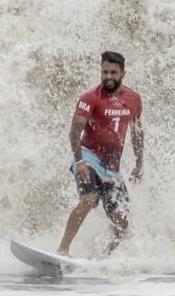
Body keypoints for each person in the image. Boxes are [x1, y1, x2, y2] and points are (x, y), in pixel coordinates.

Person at [57, 51, 144, 256]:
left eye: (113, 72)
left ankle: (105, 258)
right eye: (105, 72)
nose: (108, 77)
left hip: (111, 166)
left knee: (122, 221)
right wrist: (79, 162)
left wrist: (139, 164)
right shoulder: (90, 98)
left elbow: (138, 132)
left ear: (123, 73)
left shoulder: (134, 99)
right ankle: (62, 250)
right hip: (89, 156)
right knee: (89, 198)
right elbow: (75, 131)